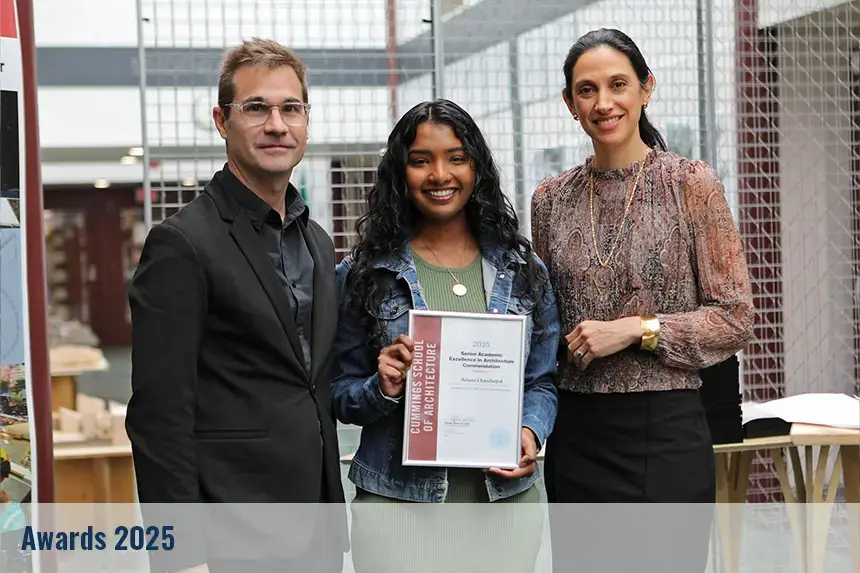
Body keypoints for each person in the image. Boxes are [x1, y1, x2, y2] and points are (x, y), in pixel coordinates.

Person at [531, 28, 755, 572]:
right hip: (577, 430)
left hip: (665, 430)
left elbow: (734, 317)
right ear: (569, 103)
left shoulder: (690, 184)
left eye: (618, 85)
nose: (603, 103)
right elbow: (543, 321)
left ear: (646, 89)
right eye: (587, 90)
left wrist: (636, 328)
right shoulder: (549, 200)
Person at [126, 38, 346, 573]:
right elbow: (159, 416)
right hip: (230, 530)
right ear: (222, 122)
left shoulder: (316, 240)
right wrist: (180, 554)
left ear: (306, 121)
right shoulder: (182, 243)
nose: (277, 124)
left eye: (291, 108)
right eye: (257, 108)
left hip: (315, 523)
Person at [332, 98, 560, 573]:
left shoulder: (522, 270)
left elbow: (541, 381)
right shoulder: (363, 275)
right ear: (400, 172)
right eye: (421, 160)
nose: (440, 174)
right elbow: (339, 393)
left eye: (456, 157)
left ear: (476, 167)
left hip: (502, 507)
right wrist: (384, 386)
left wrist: (528, 432)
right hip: (398, 510)